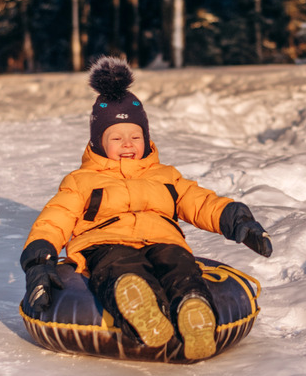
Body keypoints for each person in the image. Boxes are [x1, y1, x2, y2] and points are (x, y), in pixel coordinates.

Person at [19, 56, 272, 360]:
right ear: (98, 142)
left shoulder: (165, 175)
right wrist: (39, 260)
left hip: (162, 240)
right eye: (116, 137)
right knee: (119, 267)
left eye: (135, 136)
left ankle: (194, 312)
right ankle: (138, 307)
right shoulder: (82, 180)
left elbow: (198, 200)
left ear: (146, 138)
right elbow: (55, 218)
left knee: (180, 265)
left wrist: (235, 218)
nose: (128, 144)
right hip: (104, 242)